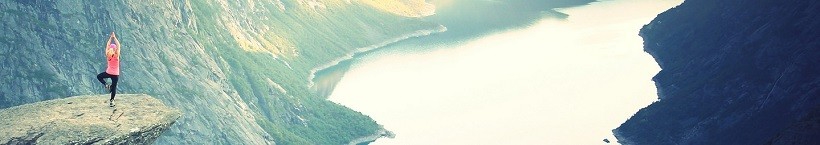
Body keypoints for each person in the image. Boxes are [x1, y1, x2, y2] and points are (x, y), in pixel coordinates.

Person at [97, 32, 121, 107]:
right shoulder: (116, 55)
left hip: (108, 72)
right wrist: (114, 37)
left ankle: (106, 84)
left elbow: (107, 45)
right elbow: (118, 45)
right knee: (114, 87)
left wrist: (110, 38)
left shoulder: (108, 55)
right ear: (115, 49)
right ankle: (112, 101)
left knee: (99, 76)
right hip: (115, 74)